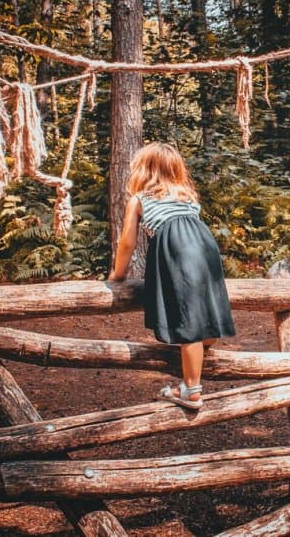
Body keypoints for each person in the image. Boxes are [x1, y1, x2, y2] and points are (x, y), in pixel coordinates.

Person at [108, 142, 235, 409]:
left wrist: (117, 275)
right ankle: (198, 355)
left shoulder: (139, 199)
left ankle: (191, 391)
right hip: (204, 246)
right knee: (203, 316)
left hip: (176, 248)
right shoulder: (185, 195)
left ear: (143, 170)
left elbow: (127, 242)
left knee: (188, 321)